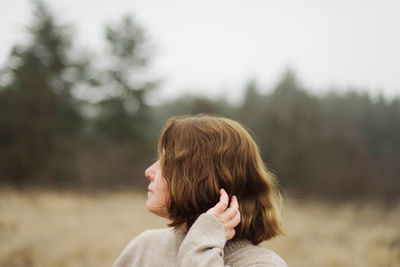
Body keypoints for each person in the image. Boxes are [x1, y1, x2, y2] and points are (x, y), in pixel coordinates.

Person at [113, 114, 287, 267]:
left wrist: (200, 245)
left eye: (167, 163)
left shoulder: (262, 263)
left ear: (201, 179)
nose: (149, 172)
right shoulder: (145, 247)